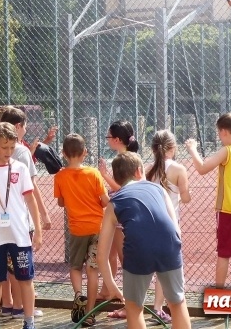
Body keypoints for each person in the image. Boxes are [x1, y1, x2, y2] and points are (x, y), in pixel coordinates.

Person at [98, 152, 192, 329]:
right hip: (169, 245)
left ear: (117, 178)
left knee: (134, 307)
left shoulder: (114, 202)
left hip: (138, 249)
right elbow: (176, 229)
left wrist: (112, 286)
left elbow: (102, 255)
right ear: (139, 171)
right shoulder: (158, 188)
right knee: (178, 302)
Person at [0, 122, 43, 329]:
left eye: (12, 147)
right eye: (4, 147)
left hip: (19, 236)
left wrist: (37, 231)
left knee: (25, 279)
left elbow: (30, 200)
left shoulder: (20, 168)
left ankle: (28, 321)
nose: (8, 152)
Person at [0, 106, 51, 319]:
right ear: (19, 126)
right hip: (18, 219)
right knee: (18, 266)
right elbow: (31, 188)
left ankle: (7, 304)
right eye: (26, 124)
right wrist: (43, 213)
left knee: (2, 266)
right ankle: (20, 308)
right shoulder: (20, 150)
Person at [185, 112, 231, 291]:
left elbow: (202, 168)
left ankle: (219, 294)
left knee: (224, 254)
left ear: (224, 132)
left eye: (219, 133)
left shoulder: (227, 151)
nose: (219, 137)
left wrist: (192, 149)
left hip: (228, 210)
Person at [53, 134, 109, 327]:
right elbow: (104, 201)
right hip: (97, 227)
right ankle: (90, 313)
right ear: (85, 152)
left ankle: (78, 294)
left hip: (77, 229)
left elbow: (61, 202)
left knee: (75, 267)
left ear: (64, 153)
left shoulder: (60, 176)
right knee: (93, 270)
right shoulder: (94, 173)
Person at [145, 130, 190, 323]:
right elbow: (186, 198)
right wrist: (182, 193)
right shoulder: (179, 169)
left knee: (154, 268)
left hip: (151, 223)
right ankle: (167, 307)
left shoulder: (149, 169)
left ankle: (155, 308)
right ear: (172, 148)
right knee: (170, 268)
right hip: (171, 225)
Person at [97, 120, 138, 317]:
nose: (107, 140)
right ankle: (107, 290)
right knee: (111, 254)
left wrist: (104, 176)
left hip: (123, 214)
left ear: (117, 139)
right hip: (116, 212)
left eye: (108, 137)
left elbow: (126, 189)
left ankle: (127, 303)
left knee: (124, 259)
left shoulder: (127, 159)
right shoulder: (124, 157)